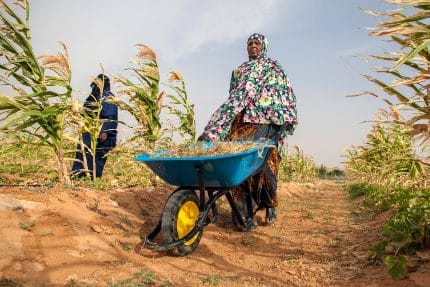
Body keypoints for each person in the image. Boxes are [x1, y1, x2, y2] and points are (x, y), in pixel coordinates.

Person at [198, 33, 298, 229]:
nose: (252, 46)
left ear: (264, 46)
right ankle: (243, 215)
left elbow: (284, 95)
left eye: (256, 43)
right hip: (242, 123)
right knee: (240, 167)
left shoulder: (273, 67)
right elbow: (234, 96)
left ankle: (269, 205)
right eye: (249, 43)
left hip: (266, 124)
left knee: (265, 167)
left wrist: (284, 123)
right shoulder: (239, 71)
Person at [71, 74, 118, 179]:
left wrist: (104, 131)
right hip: (88, 132)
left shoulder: (108, 97)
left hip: (102, 134)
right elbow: (86, 111)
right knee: (83, 154)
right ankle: (78, 177)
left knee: (97, 158)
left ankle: (93, 179)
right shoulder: (93, 96)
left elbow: (109, 117)